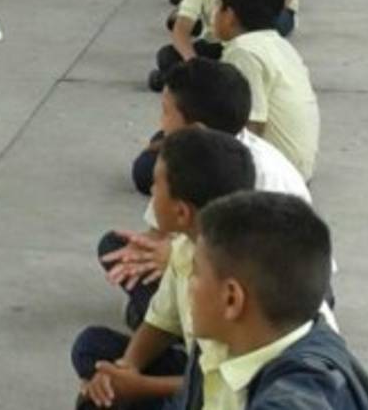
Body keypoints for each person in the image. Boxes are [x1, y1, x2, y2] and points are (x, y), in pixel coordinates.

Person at [106, 59, 316, 332]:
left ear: (197, 129)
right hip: (208, 265)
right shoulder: (193, 155)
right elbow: (158, 232)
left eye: (165, 112)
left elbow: (253, 269)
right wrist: (153, 251)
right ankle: (169, 320)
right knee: (116, 247)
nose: (160, 123)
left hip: (275, 296)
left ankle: (181, 333)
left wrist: (177, 257)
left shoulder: (258, 176)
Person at [72, 128, 255, 410]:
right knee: (91, 350)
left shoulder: (230, 286)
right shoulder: (185, 245)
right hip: (196, 368)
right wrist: (125, 368)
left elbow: (220, 384)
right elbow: (161, 321)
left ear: (182, 212)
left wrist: (139, 387)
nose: (152, 192)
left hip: (218, 395)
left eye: (156, 186)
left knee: (102, 400)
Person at [177, 192, 368, 410]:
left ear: (231, 299)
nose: (189, 284)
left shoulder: (300, 396)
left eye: (196, 272)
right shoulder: (221, 342)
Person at [217, 0, 320, 180]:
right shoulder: (278, 44)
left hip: (275, 177)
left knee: (155, 166)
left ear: (230, 16)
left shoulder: (243, 52)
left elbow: (252, 124)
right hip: (297, 169)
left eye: (218, 5)